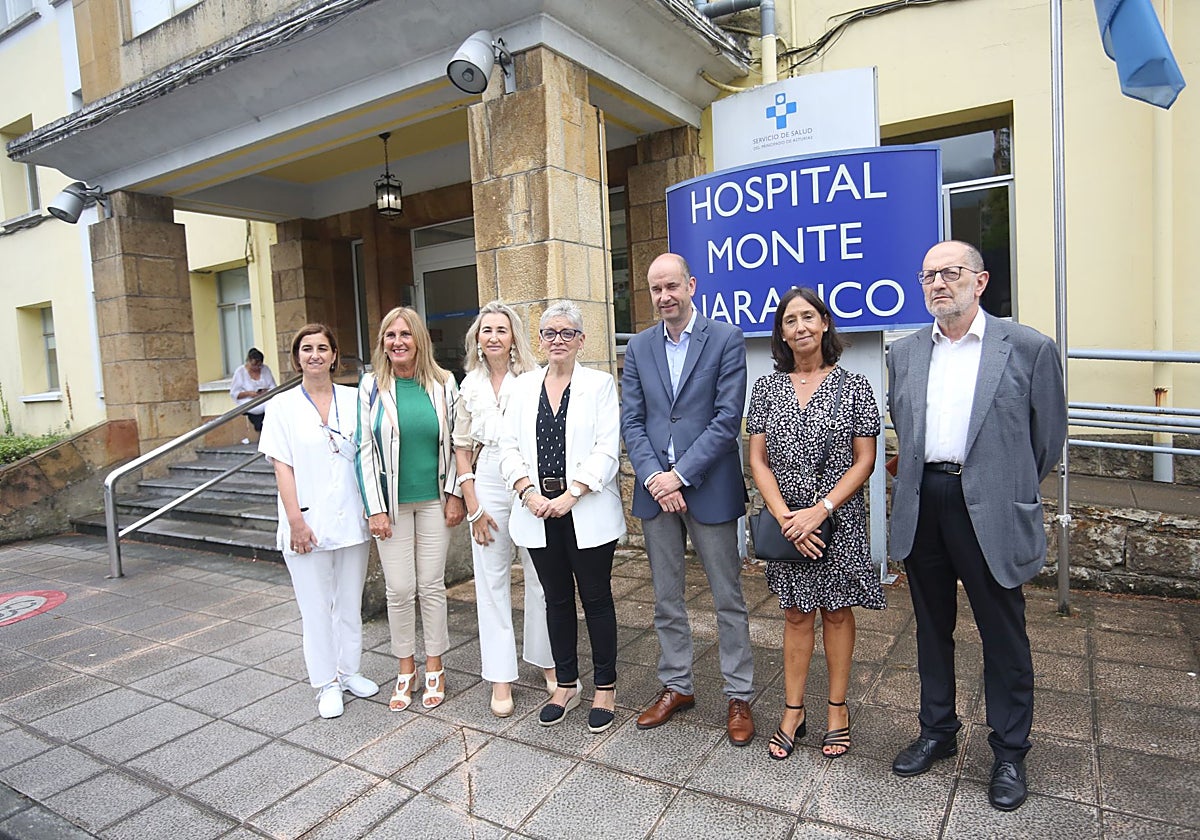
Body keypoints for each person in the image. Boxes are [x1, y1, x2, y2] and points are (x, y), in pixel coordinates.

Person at [887, 240, 1067, 811]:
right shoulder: (907, 352)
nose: (938, 283)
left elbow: (1047, 441)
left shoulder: (1029, 349)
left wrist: (1003, 485)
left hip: (988, 506)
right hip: (925, 503)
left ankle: (1010, 751)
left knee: (1002, 634)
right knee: (930, 629)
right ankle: (938, 731)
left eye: (951, 273)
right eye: (928, 275)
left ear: (980, 282)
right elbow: (903, 427)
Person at [620, 253, 756, 747]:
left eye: (672, 286)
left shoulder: (724, 338)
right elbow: (632, 420)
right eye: (656, 289)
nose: (664, 297)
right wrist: (656, 476)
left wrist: (680, 475)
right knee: (665, 598)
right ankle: (677, 685)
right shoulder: (638, 347)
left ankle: (739, 693)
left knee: (728, 597)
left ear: (691, 286)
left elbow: (726, 419)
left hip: (708, 488)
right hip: (657, 493)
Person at [747, 288, 884, 761]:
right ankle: (792, 710)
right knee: (795, 613)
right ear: (781, 332)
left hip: (837, 520)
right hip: (789, 524)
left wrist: (820, 511)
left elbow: (865, 461)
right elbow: (758, 460)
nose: (800, 326)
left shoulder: (856, 386)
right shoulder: (766, 388)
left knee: (838, 612)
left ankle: (837, 710)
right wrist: (787, 517)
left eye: (808, 317)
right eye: (790, 320)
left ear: (825, 323)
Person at [499, 300, 625, 732]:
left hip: (584, 507)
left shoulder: (600, 384)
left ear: (581, 340)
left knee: (596, 597)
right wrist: (527, 491)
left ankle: (605, 686)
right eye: (550, 333)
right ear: (540, 340)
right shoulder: (521, 387)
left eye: (566, 333)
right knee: (554, 599)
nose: (557, 340)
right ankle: (566, 683)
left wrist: (572, 494)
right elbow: (507, 446)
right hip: (537, 509)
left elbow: (609, 448)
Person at [258, 325, 376, 719]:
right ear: (297, 358)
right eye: (306, 349)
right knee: (315, 608)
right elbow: (282, 466)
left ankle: (349, 671)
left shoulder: (355, 398)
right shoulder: (282, 407)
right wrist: (295, 520)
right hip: (305, 521)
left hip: (351, 518)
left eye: (322, 348)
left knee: (348, 603)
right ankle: (325, 683)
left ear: (334, 355)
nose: (314, 355)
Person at [355, 307, 465, 713]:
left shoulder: (443, 383)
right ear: (383, 342)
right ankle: (406, 668)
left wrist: (455, 494)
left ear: (419, 339)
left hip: (435, 500)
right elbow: (363, 449)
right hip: (392, 507)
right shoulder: (371, 386)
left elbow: (459, 441)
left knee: (431, 585)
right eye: (390, 335)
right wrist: (375, 508)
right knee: (399, 589)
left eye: (405, 334)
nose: (397, 342)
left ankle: (435, 664)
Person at [453, 301, 557, 718]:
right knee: (491, 582)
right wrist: (473, 504)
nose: (493, 336)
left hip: (528, 481)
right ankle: (500, 676)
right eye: (486, 330)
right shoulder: (468, 386)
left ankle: (548, 662)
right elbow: (461, 448)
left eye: (501, 329)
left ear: (513, 337)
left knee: (540, 576)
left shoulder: (533, 380)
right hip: (488, 481)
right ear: (477, 339)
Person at [230, 348, 277, 436]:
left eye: (259, 366)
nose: (256, 368)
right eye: (254, 365)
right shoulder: (240, 372)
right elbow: (234, 393)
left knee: (274, 405)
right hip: (248, 400)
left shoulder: (265, 369)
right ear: (248, 361)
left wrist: (265, 391)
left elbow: (273, 387)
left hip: (265, 398)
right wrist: (249, 393)